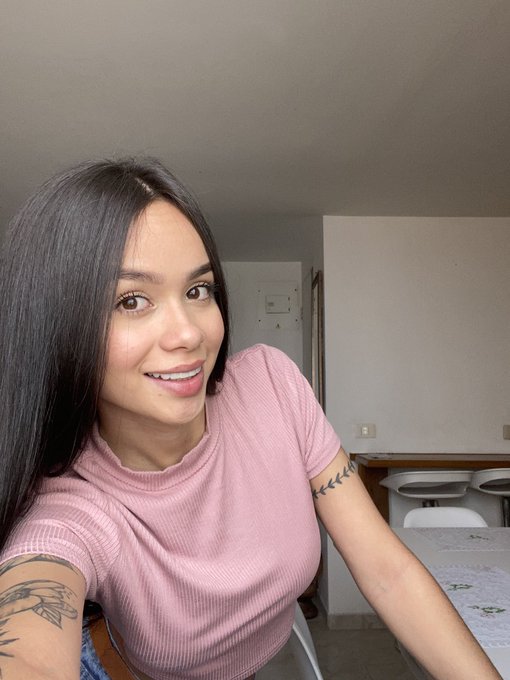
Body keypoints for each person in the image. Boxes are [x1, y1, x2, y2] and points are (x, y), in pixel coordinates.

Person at [0, 158, 501, 680]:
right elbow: (33, 622)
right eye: (132, 300)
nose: (189, 334)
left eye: (198, 290)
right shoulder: (70, 506)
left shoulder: (271, 387)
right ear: (60, 327)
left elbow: (388, 571)